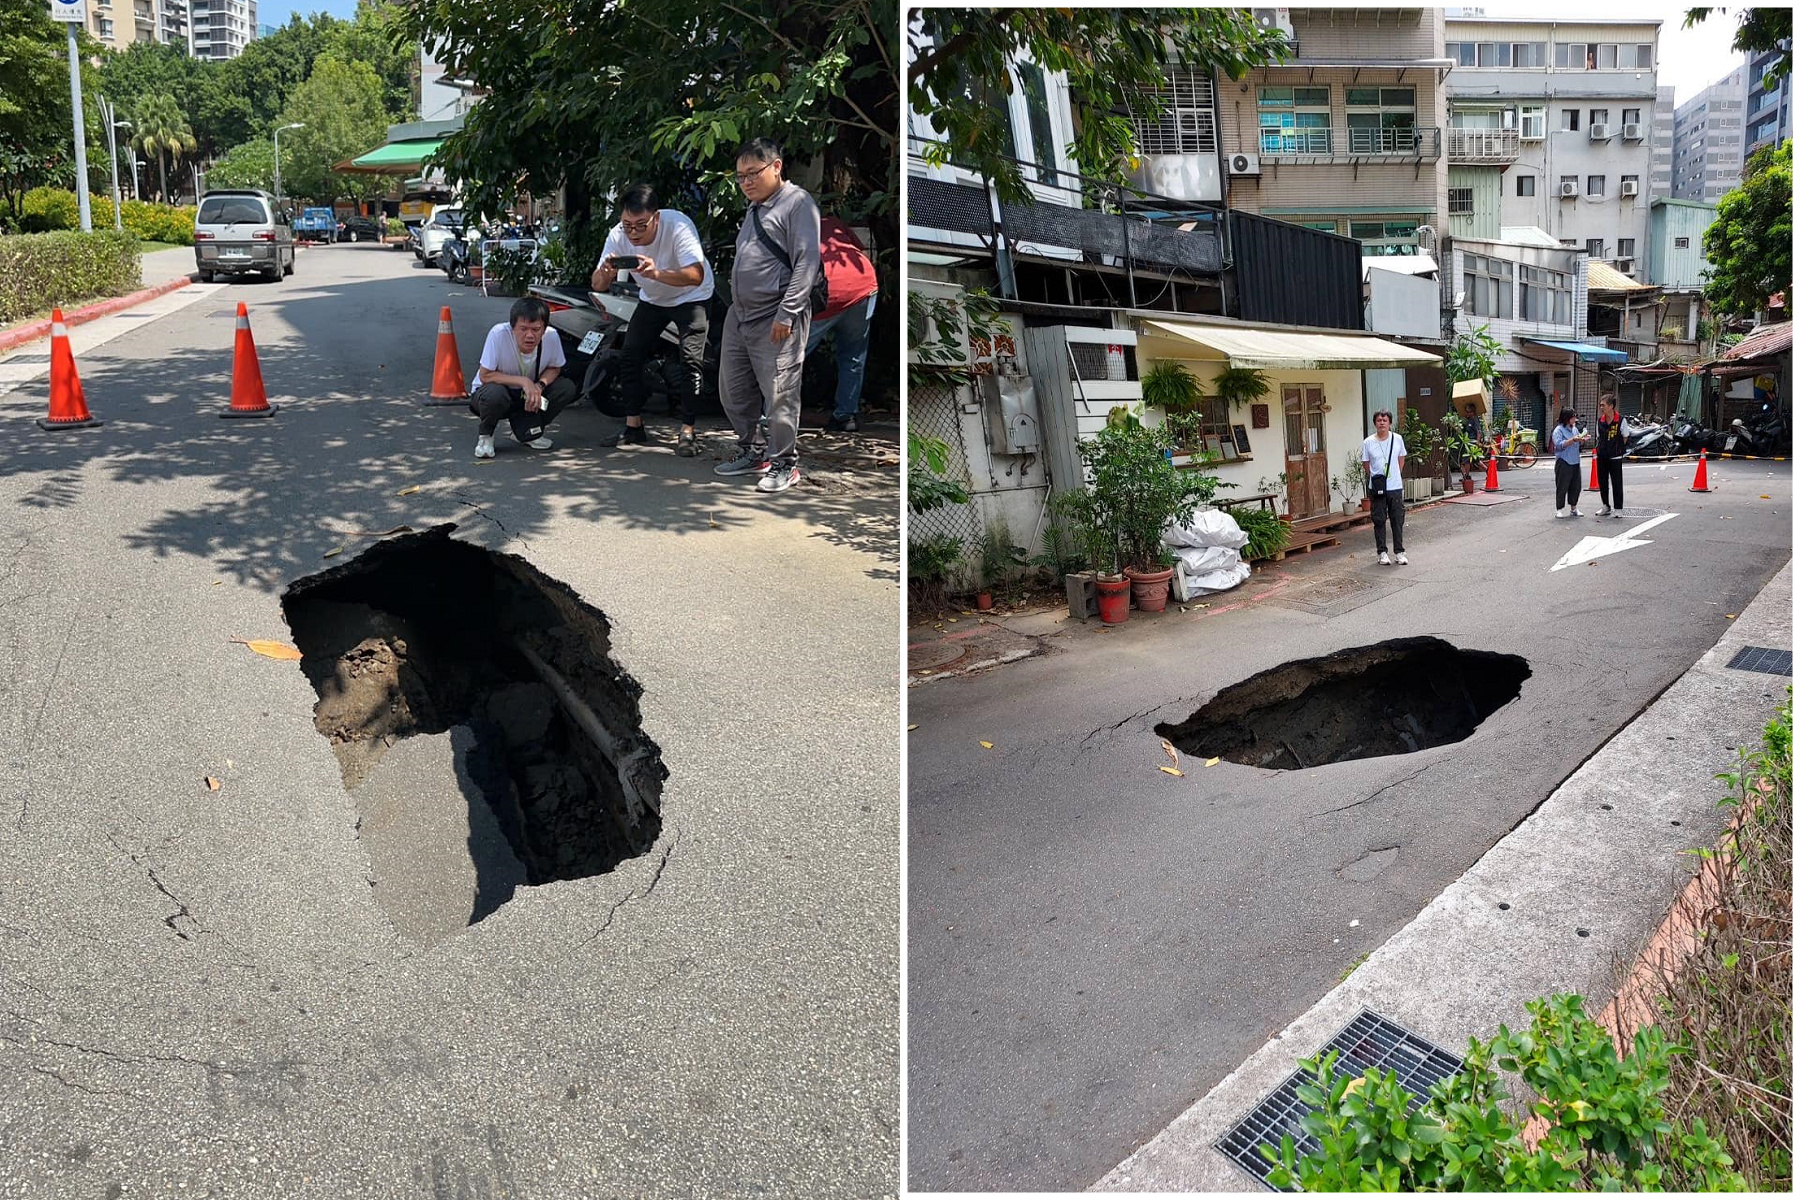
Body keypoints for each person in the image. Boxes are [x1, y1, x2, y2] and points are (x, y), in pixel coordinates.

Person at [714, 137, 821, 494]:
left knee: (780, 391)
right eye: (740, 176)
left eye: (752, 173)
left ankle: (785, 463)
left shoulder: (797, 203)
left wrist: (787, 313)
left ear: (776, 166)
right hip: (740, 314)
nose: (745, 182)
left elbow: (807, 262)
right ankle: (752, 450)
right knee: (733, 389)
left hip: (775, 315)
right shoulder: (755, 207)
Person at [590, 184, 714, 456]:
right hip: (652, 300)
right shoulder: (617, 235)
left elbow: (696, 274)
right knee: (629, 356)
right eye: (627, 225)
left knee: (690, 362)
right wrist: (607, 272)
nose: (632, 233)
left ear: (656, 218)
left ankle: (688, 431)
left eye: (640, 225)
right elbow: (597, 285)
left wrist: (657, 273)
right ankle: (634, 426)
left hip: (691, 297)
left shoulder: (678, 226)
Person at [469, 296, 576, 459]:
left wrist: (540, 386)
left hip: (528, 398)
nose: (530, 335)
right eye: (523, 329)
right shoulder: (498, 334)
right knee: (494, 394)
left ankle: (528, 430)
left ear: (544, 328)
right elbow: (485, 375)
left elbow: (555, 368)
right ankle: (486, 436)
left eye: (536, 329)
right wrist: (524, 381)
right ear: (512, 327)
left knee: (565, 388)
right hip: (496, 396)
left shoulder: (552, 336)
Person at [805, 217, 879, 432]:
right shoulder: (834, 223)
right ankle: (846, 416)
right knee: (853, 355)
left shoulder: (791, 226)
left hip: (829, 293)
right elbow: (858, 249)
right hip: (863, 287)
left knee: (789, 356)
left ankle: (767, 416)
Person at [1361, 410, 1408, 565]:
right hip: (1377, 487)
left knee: (1397, 519)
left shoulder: (1397, 439)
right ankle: (1382, 552)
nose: (1382, 423)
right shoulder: (1368, 442)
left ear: (1390, 423)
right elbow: (1366, 464)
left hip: (1395, 487)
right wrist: (1377, 477)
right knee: (1379, 520)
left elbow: (1401, 459)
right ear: (1375, 423)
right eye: (1379, 420)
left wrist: (1395, 475)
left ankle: (1399, 552)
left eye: (1385, 420)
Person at [1550, 407, 1591, 517]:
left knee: (1576, 486)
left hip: (1575, 460)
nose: (1575, 420)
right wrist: (1573, 440)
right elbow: (1559, 445)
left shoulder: (1574, 429)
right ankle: (1559, 509)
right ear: (1567, 418)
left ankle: (1574, 508)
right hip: (1563, 461)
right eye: (1573, 417)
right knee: (1562, 486)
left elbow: (1578, 444)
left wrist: (1582, 440)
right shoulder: (1558, 430)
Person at [1594, 394, 1625, 518]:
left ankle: (1618, 508)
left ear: (1611, 406)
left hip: (1615, 456)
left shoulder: (1621, 420)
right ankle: (1605, 505)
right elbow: (1598, 437)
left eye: (1603, 405)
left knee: (1617, 482)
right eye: (1600, 405)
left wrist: (1616, 447)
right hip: (1602, 455)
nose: (1601, 407)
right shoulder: (1600, 421)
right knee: (1603, 482)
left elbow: (1625, 436)